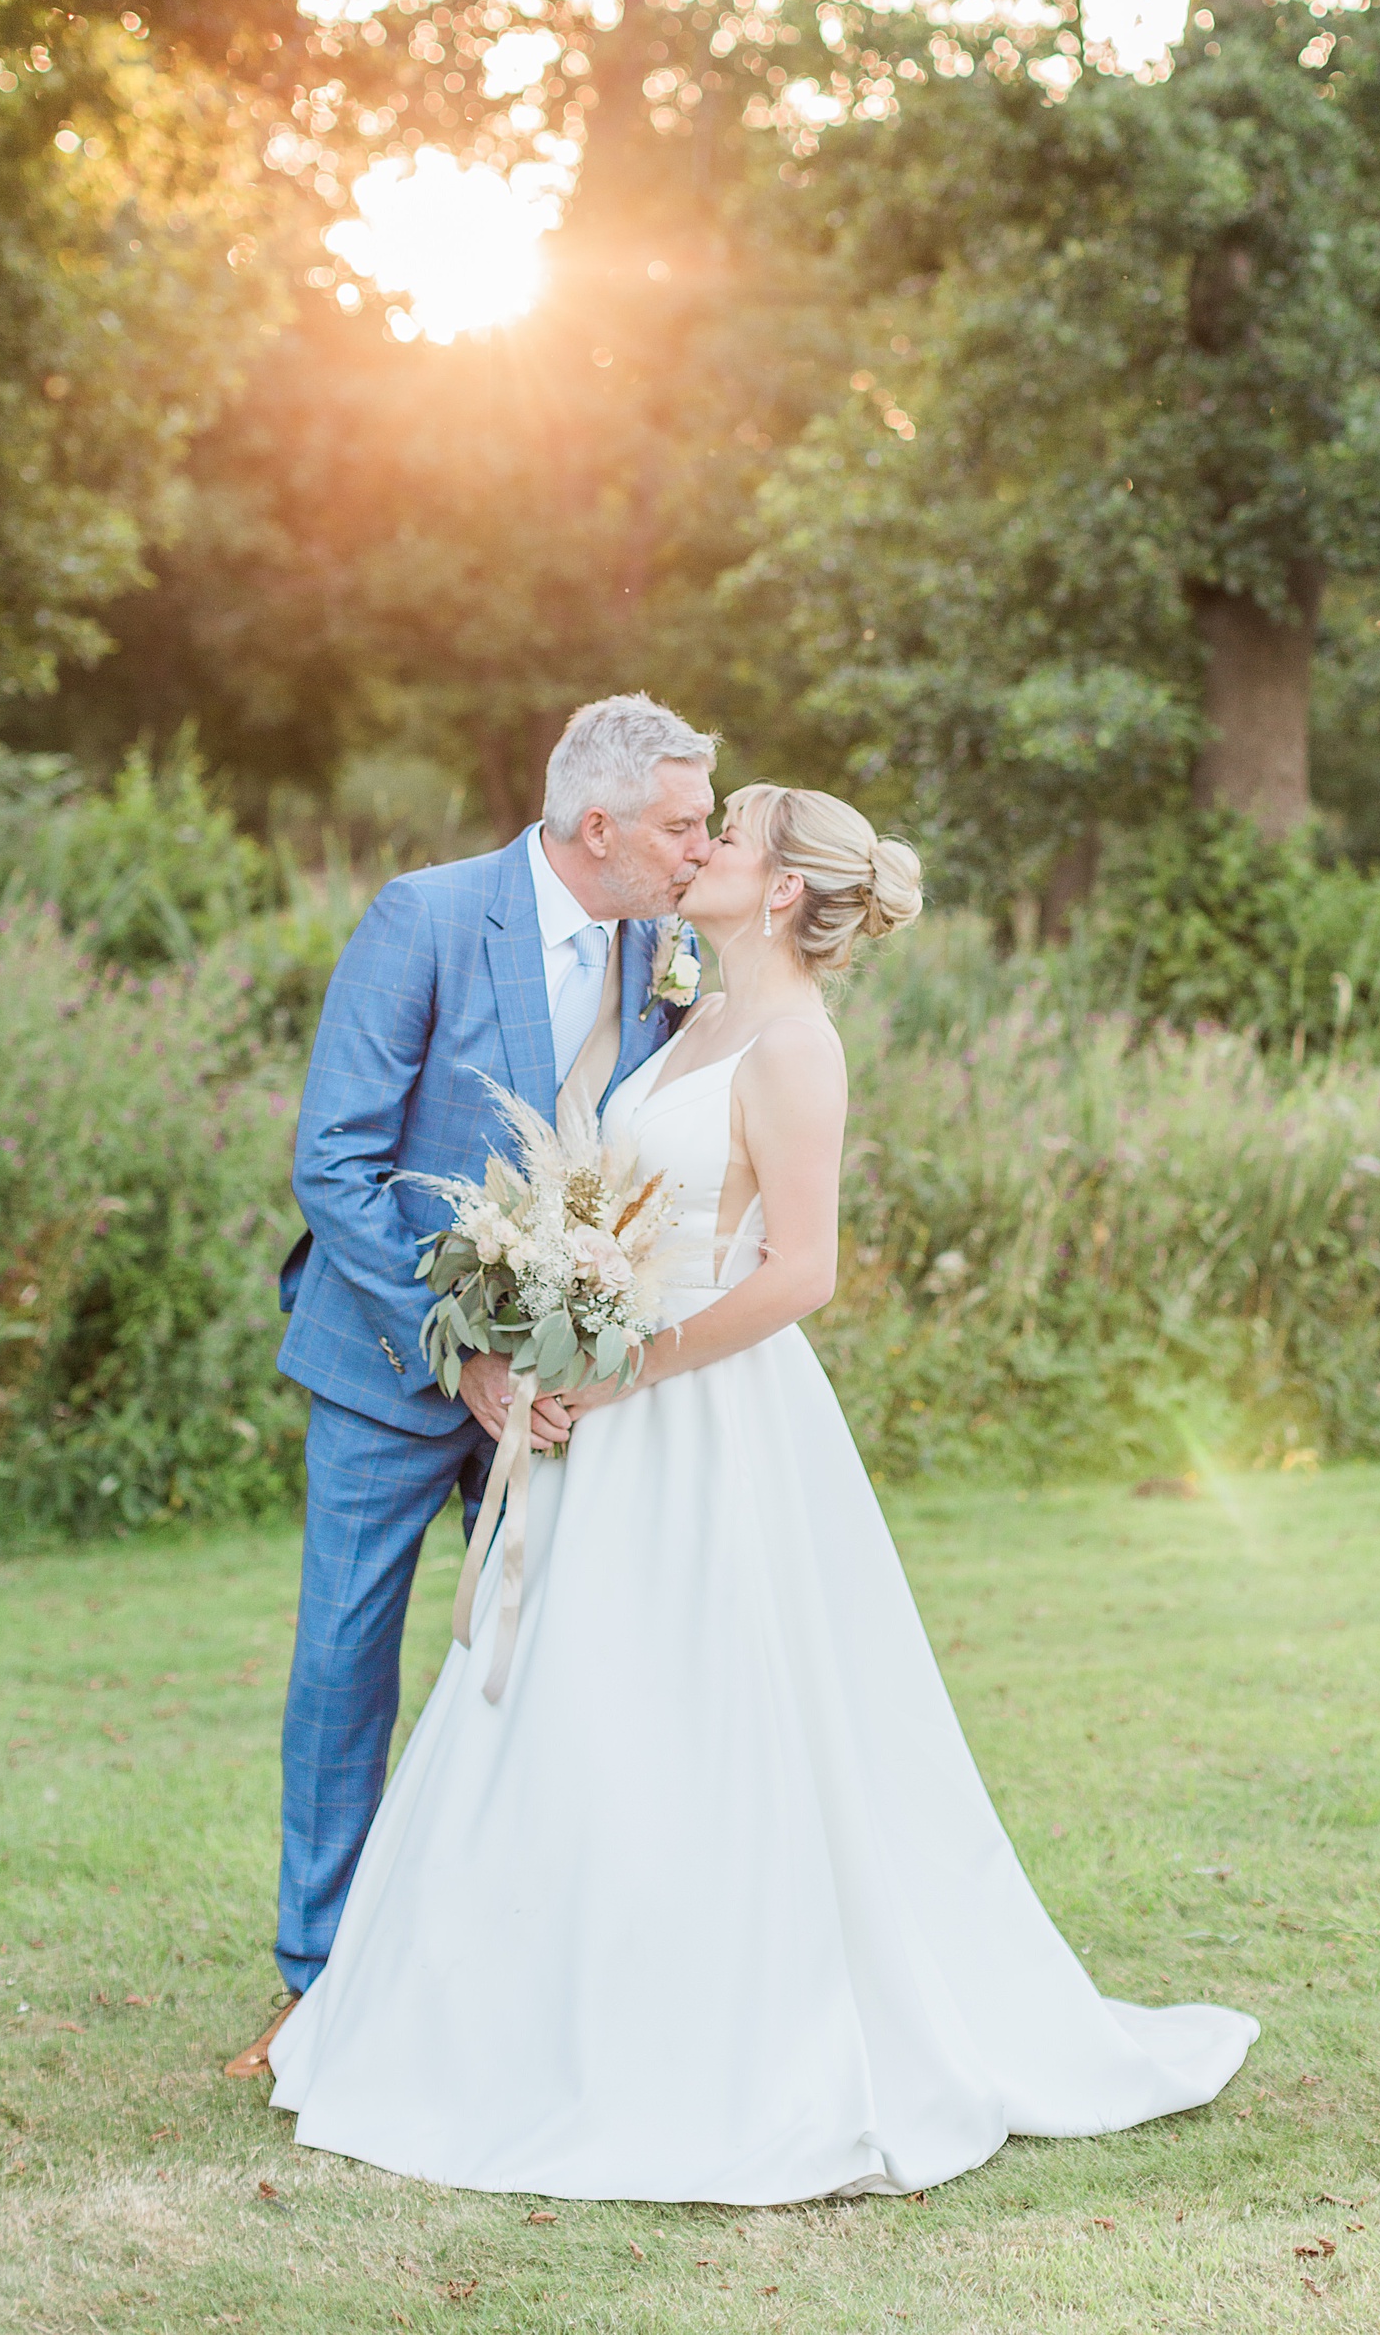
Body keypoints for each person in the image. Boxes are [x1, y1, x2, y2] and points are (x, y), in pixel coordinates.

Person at [261, 783, 1258, 2198]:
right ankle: (517, 2007)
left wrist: (634, 1359)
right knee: (563, 1701)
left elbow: (802, 1269)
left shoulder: (794, 1043)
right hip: (610, 1408)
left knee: (706, 1708)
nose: (700, 849)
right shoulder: (695, 1014)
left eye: (724, 836)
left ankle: (712, 2025)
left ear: (781, 887)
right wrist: (555, 1324)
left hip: (703, 1413)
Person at [223, 695, 718, 2079]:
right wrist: (475, 1349)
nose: (703, 846)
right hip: (391, 1369)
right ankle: (318, 1982)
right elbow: (335, 1162)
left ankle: (504, 1961)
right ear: (600, 823)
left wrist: (571, 1345)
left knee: (546, 1661)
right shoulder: (426, 919)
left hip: (557, 1389)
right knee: (346, 1660)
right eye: (683, 823)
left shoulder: (667, 950)